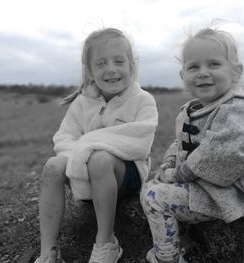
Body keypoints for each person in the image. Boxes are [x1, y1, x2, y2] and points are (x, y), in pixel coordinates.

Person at [140, 26, 244, 263]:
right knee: (151, 185)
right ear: (183, 76)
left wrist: (178, 174)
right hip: (201, 184)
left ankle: (166, 257)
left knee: (154, 196)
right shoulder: (190, 109)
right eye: (194, 67)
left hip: (226, 191)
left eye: (213, 64)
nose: (203, 73)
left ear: (235, 72)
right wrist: (168, 164)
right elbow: (179, 142)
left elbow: (221, 154)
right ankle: (184, 238)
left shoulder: (236, 109)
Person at [34, 28, 158, 263]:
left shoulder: (143, 100)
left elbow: (139, 141)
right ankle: (48, 252)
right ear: (89, 72)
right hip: (83, 175)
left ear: (132, 65)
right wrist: (79, 159)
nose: (111, 69)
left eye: (119, 61)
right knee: (52, 166)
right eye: (101, 64)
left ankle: (106, 242)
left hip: (126, 176)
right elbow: (65, 137)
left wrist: (88, 147)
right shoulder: (83, 102)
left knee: (99, 158)